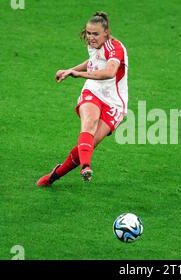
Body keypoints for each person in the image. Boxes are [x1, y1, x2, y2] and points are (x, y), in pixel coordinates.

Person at [37, 11, 128, 186]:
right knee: (89, 123)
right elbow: (93, 61)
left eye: (95, 34)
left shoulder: (115, 48)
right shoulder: (94, 45)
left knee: (87, 146)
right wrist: (69, 70)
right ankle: (86, 167)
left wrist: (77, 74)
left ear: (106, 33)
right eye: (88, 33)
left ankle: (54, 175)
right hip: (92, 90)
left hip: (114, 102)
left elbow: (109, 72)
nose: (91, 38)